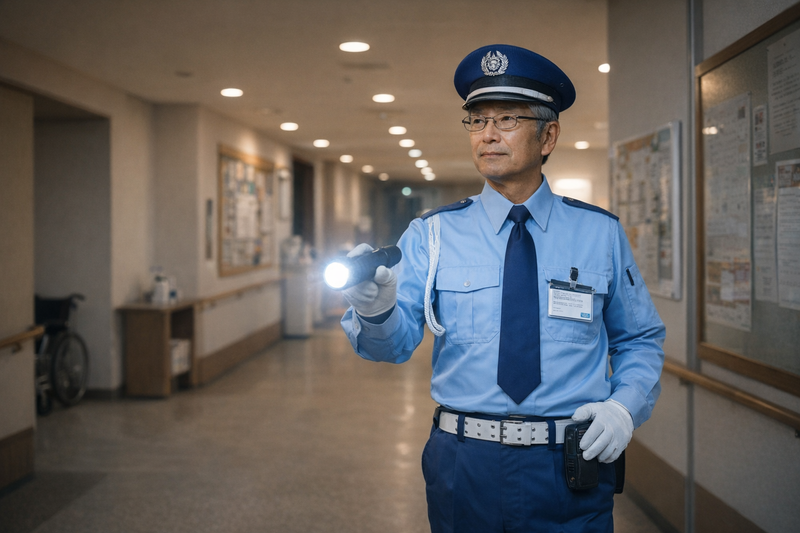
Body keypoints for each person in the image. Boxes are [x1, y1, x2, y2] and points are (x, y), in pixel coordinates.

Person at [340, 44, 665, 533]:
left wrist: (625, 406)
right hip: (464, 461)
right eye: (476, 120)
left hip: (569, 465)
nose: (487, 135)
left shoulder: (599, 234)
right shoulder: (432, 234)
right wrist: (376, 311)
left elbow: (639, 338)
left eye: (507, 119)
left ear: (548, 135)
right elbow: (393, 346)